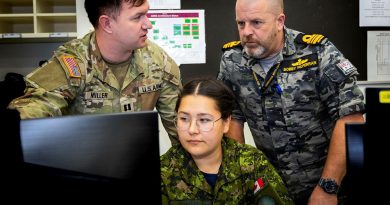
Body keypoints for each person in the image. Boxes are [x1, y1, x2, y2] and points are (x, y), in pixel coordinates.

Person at [217, 0, 365, 204]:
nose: (246, 32)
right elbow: (232, 118)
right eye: (241, 23)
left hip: (330, 185)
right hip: (272, 188)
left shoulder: (318, 53)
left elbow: (351, 118)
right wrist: (241, 177)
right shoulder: (233, 60)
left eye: (256, 22)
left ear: (280, 21)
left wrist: (328, 187)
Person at [7, 0, 182, 144]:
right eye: (137, 17)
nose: (148, 24)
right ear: (107, 24)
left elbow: (181, 129)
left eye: (146, 14)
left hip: (137, 165)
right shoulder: (74, 62)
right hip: (84, 169)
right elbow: (35, 107)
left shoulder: (159, 62)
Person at [160, 78, 294, 205]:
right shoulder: (163, 172)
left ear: (226, 123)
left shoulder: (251, 162)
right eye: (184, 118)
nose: (192, 129)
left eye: (204, 120)